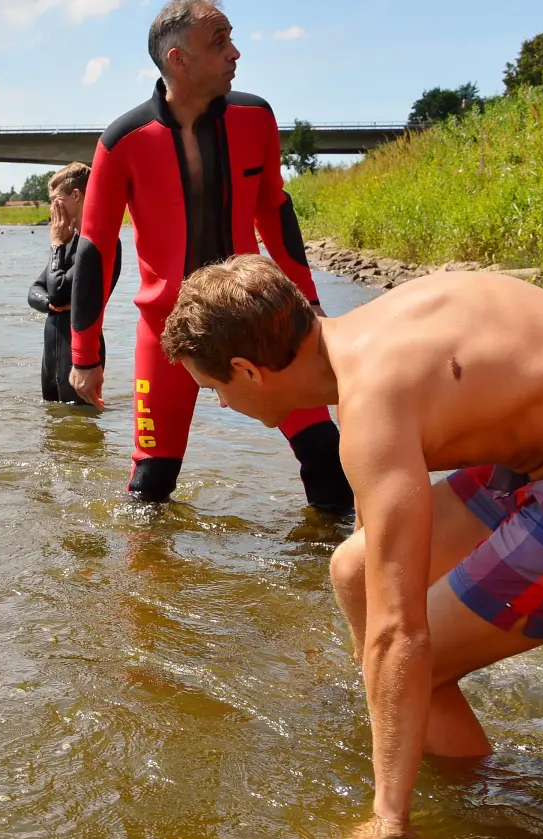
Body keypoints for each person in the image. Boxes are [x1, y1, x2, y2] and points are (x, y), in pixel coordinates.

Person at [160, 255, 543, 839]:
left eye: (216, 391)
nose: (223, 406)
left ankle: (475, 812)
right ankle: (432, 749)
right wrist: (373, 667)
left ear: (247, 370)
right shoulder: (364, 339)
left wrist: (388, 810)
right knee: (354, 570)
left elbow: (400, 630)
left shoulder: (372, 408)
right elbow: (376, 550)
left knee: (420, 663)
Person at [67, 0, 351, 511]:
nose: (235, 53)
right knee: (151, 485)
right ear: (178, 59)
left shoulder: (255, 117)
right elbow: (95, 249)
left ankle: (335, 575)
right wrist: (85, 355)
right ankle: (140, 586)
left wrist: (308, 303)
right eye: (218, 42)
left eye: (231, 38)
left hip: (262, 318)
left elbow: (274, 212)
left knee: (325, 453)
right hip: (168, 329)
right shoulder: (122, 142)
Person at [29, 163, 121, 406]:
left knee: (81, 423)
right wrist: (51, 305)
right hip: (52, 350)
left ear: (76, 195)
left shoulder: (98, 241)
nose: (51, 208)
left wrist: (56, 245)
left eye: (55, 200)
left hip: (80, 349)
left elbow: (58, 292)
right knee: (52, 426)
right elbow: (35, 292)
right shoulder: (70, 241)